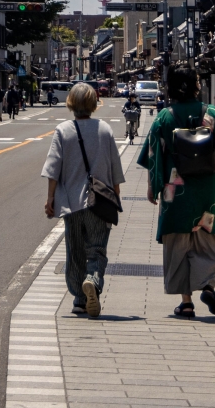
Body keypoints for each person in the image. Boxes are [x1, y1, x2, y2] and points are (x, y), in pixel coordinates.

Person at [137, 68, 215, 319]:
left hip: (176, 190)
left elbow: (154, 157)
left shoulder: (164, 118)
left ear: (170, 87)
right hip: (208, 190)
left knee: (178, 245)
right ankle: (207, 285)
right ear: (195, 85)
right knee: (208, 241)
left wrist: (153, 185)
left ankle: (186, 303)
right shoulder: (213, 114)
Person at [41, 81, 124, 318]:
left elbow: (53, 169)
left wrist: (50, 199)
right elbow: (114, 168)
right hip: (99, 201)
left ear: (70, 104)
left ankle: (79, 298)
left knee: (74, 250)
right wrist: (116, 195)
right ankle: (93, 279)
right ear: (94, 104)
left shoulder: (63, 130)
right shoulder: (105, 129)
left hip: (71, 204)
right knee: (97, 248)